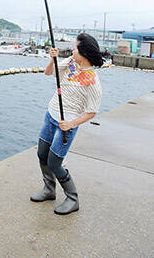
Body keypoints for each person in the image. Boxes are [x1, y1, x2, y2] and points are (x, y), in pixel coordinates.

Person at [30, 33, 104, 215]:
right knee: (42, 154)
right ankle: (49, 190)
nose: (72, 50)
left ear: (84, 52)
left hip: (66, 126)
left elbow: (92, 111)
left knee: (55, 163)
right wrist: (52, 59)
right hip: (50, 116)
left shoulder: (93, 80)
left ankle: (73, 198)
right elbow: (49, 72)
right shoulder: (70, 63)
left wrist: (71, 124)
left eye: (75, 48)